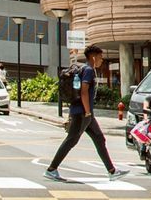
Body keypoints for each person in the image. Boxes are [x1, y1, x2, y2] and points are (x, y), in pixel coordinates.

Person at [44, 44, 127, 181]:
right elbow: (83, 92)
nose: (102, 60)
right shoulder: (88, 70)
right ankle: (51, 169)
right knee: (71, 140)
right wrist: (88, 112)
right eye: (100, 57)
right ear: (93, 58)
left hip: (85, 113)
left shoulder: (86, 69)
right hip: (82, 113)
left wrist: (89, 113)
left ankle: (112, 171)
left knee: (99, 139)